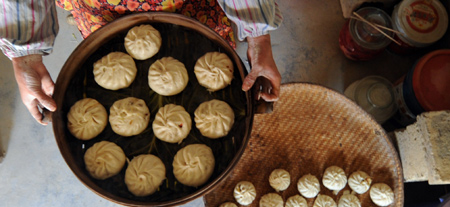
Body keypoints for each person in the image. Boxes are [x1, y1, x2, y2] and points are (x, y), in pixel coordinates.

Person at [0, 0, 282, 125]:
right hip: (100, 9)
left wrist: (258, 36)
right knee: (110, 54)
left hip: (190, 7)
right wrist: (23, 53)